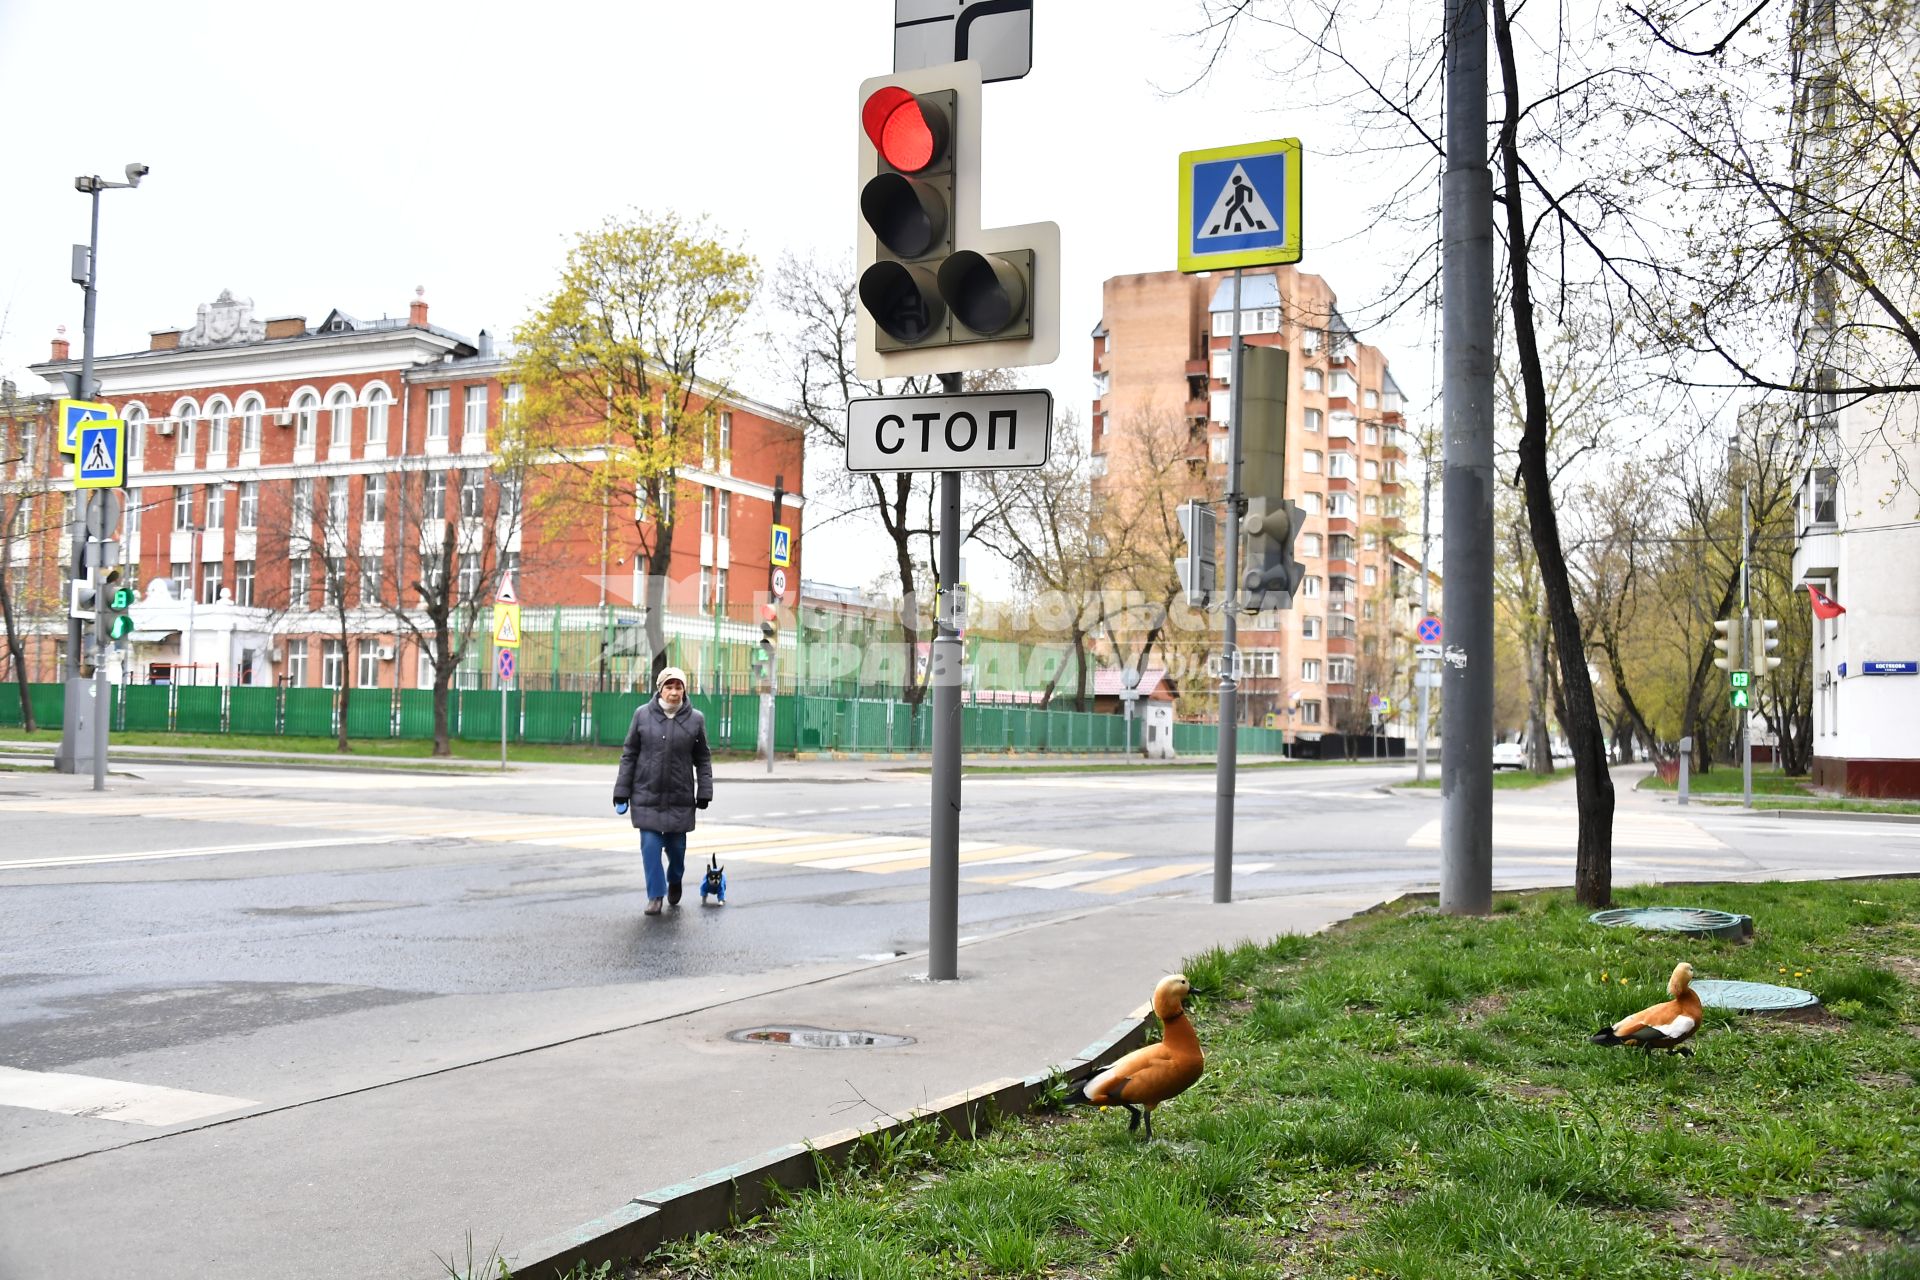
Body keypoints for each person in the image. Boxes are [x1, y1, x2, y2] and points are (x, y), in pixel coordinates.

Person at [613, 666, 713, 916]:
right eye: (669, 686)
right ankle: (655, 896)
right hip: (646, 794)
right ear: (660, 689)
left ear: (684, 690)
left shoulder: (695, 719)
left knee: (677, 850)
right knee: (650, 846)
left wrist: (705, 791)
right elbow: (629, 755)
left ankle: (675, 879)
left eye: (679, 687)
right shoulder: (642, 715)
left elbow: (702, 759)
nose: (674, 692)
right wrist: (621, 791)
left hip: (680, 797)